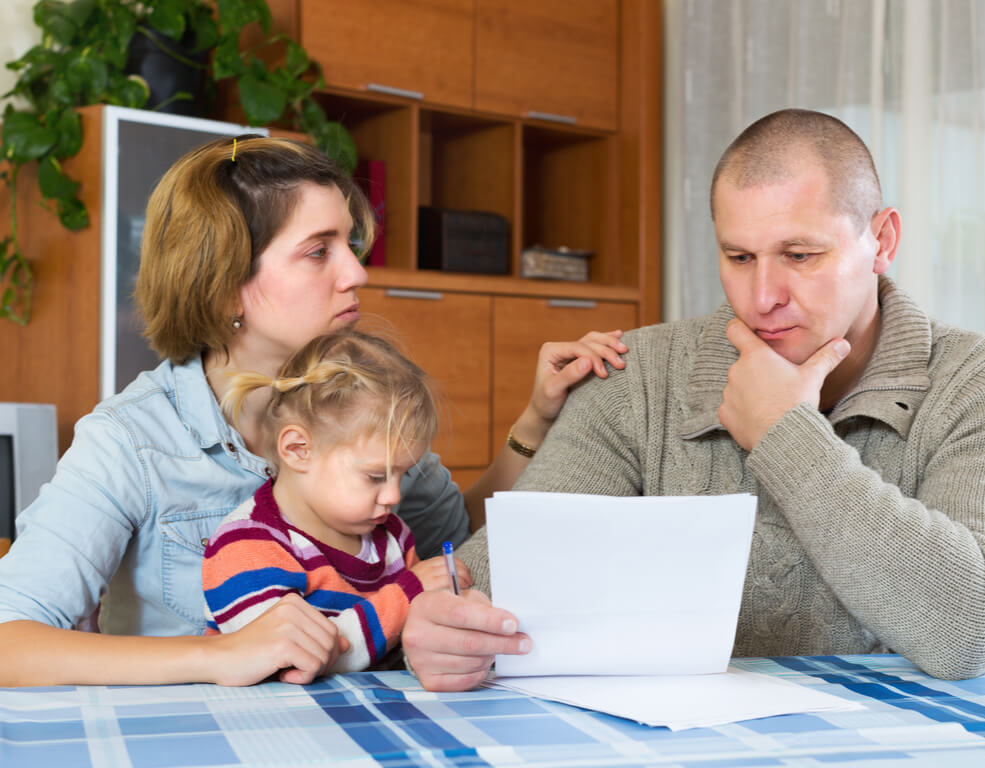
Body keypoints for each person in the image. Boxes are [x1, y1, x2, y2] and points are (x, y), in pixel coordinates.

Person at [402, 108, 985, 689]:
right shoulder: (637, 373)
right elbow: (497, 579)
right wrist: (440, 625)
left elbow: (969, 630)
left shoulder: (981, 379)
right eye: (739, 256)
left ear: (882, 240)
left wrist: (785, 434)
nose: (762, 297)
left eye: (799, 255)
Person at [0, 135, 628, 686]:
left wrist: (535, 423)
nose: (356, 272)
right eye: (319, 250)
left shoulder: (361, 393)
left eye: (350, 245)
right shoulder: (130, 440)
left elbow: (454, 537)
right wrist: (218, 656)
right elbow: (9, 642)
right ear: (223, 286)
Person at [204, 328, 470, 673]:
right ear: (298, 450)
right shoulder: (247, 546)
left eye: (402, 475)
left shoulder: (392, 537)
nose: (394, 496)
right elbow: (292, 662)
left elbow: (411, 637)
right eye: (375, 476)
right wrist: (409, 594)